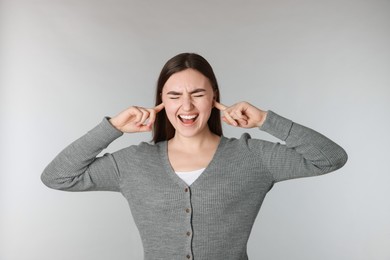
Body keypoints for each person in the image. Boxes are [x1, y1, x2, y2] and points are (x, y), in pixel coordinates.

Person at [41, 53, 348, 260]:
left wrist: (266, 120)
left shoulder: (252, 157)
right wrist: (112, 128)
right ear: (161, 100)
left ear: (214, 96)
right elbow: (58, 177)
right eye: (174, 96)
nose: (186, 107)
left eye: (197, 94)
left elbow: (330, 158)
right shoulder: (134, 163)